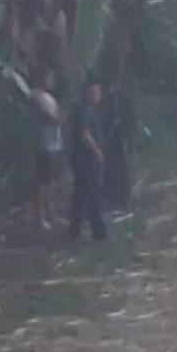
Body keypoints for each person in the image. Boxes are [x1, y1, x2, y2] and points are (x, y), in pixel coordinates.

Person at [69, 77, 108, 242]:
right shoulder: (86, 110)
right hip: (87, 158)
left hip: (80, 159)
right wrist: (97, 151)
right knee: (92, 194)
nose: (99, 95)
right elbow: (84, 133)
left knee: (80, 195)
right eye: (96, 92)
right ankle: (98, 232)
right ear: (89, 93)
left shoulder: (83, 109)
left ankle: (74, 230)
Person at [30, 70, 63, 231]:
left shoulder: (49, 97)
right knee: (42, 182)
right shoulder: (36, 95)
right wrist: (58, 119)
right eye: (49, 77)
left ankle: (50, 213)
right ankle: (40, 216)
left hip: (53, 143)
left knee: (49, 181)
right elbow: (48, 117)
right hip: (43, 144)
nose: (52, 80)